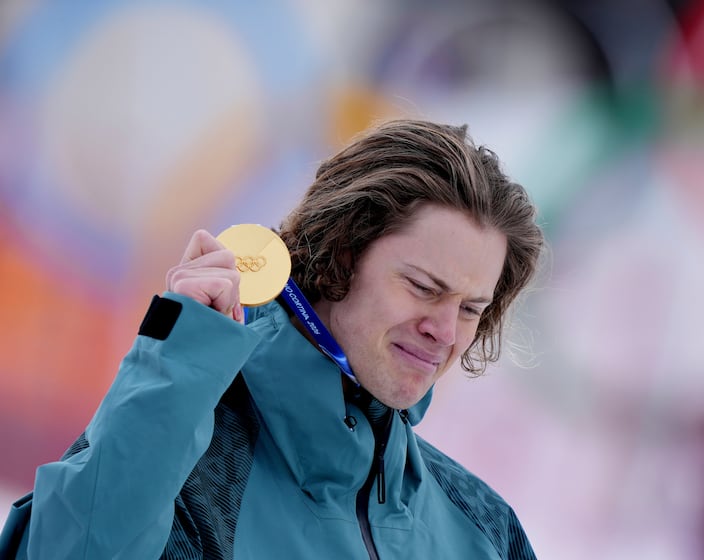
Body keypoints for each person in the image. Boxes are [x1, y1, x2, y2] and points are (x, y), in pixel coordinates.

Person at [3, 119, 545, 559]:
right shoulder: (190, 480)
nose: (446, 332)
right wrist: (177, 365)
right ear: (341, 255)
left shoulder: (485, 528)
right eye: (424, 288)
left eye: (471, 309)